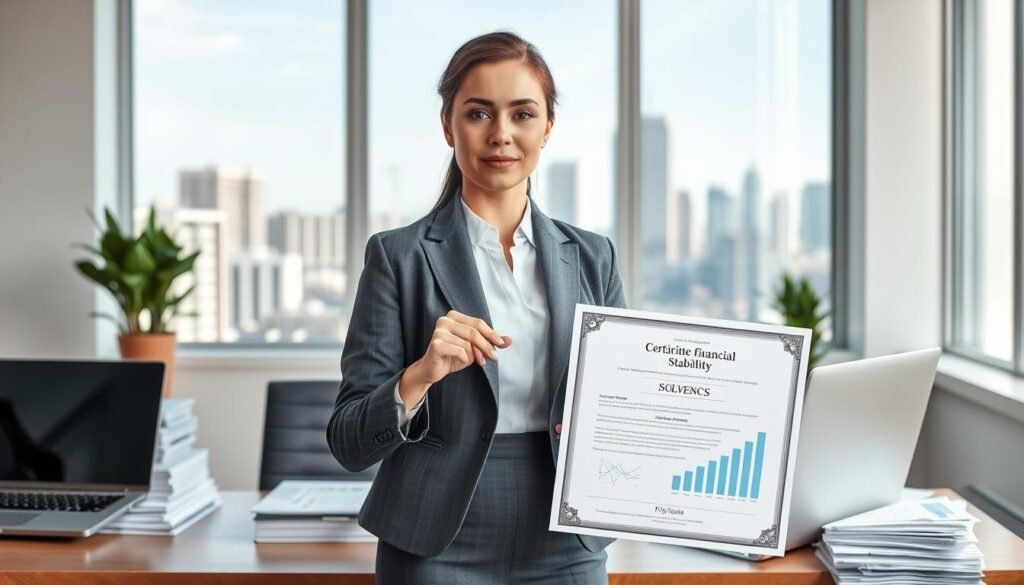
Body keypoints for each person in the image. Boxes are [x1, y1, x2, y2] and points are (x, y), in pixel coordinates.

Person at [327, 30, 626, 585]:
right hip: (433, 536)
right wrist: (420, 375)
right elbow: (348, 440)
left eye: (523, 114)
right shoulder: (398, 257)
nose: (501, 135)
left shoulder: (592, 257)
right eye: (479, 113)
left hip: (566, 533)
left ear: (547, 128)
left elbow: (623, 411)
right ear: (448, 126)